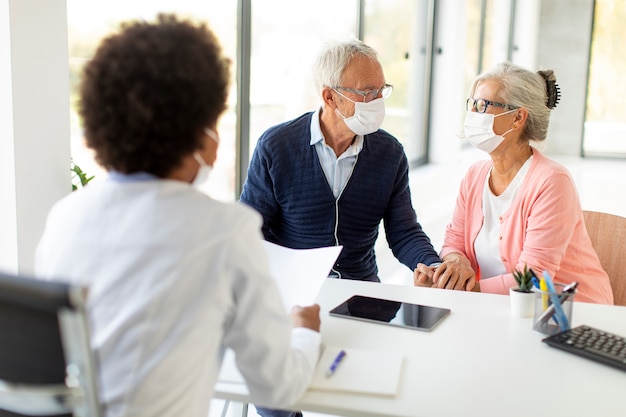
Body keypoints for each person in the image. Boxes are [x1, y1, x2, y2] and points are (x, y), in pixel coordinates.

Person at [34, 14, 322, 417]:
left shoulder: (66, 217)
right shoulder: (225, 231)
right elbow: (277, 388)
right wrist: (305, 334)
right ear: (198, 132)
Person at [240, 39, 472, 417]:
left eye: (381, 89)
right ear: (330, 98)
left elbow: (404, 231)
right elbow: (249, 231)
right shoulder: (276, 147)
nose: (378, 100)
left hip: (363, 295)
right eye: (366, 92)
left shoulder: (389, 153)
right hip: (294, 297)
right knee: (277, 396)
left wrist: (429, 264)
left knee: (382, 388)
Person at [415, 62, 614, 304]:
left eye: (483, 105)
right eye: (472, 104)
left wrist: (463, 290)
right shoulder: (474, 175)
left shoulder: (552, 182)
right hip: (502, 310)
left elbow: (531, 279)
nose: (473, 114)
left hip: (568, 316)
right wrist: (451, 269)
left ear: (518, 117)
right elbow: (454, 241)